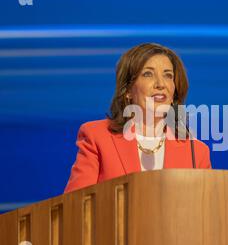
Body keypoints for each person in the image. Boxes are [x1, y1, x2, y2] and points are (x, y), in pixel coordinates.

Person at [64, 43, 212, 193]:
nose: (161, 84)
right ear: (128, 90)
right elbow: (74, 206)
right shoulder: (97, 137)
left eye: (168, 75)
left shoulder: (196, 152)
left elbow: (206, 210)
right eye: (148, 74)